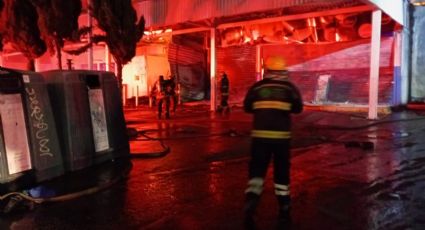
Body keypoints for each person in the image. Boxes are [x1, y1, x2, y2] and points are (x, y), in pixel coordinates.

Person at [242, 56, 303, 228]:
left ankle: (251, 204)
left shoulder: (257, 87)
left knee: (257, 173)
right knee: (281, 174)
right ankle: (284, 208)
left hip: (259, 138)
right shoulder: (290, 88)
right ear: (283, 71)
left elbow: (247, 107)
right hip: (281, 139)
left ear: (267, 71)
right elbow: (298, 109)